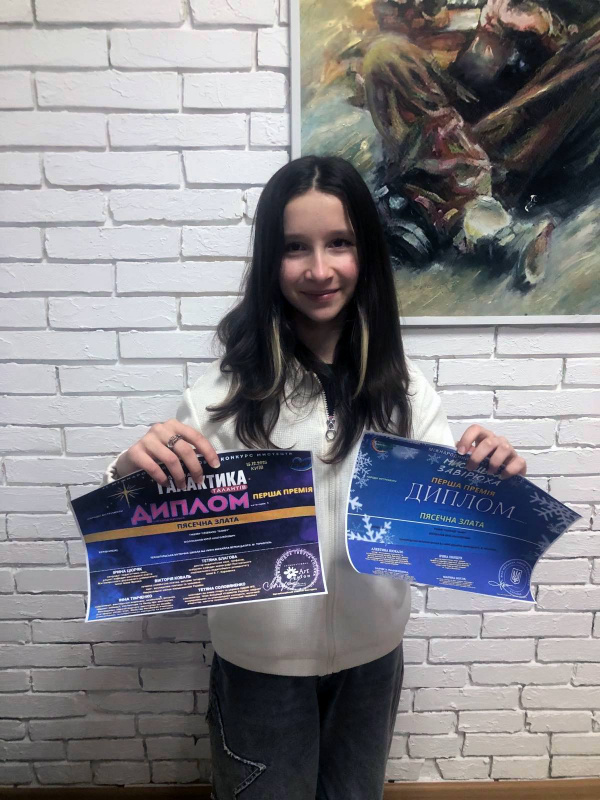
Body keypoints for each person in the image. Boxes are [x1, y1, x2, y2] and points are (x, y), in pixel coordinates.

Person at [101, 155, 527, 800]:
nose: (319, 270)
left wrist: (489, 477)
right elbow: (154, 540)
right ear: (270, 262)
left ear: (368, 254)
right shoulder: (221, 395)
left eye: (340, 244)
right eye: (295, 247)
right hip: (258, 667)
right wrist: (132, 474)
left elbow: (445, 525)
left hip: (372, 659)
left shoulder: (408, 394)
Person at [359, 0, 600, 286]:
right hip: (471, 122)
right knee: (385, 55)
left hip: (535, 121)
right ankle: (475, 215)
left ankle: (450, 207)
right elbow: (471, 75)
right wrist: (488, 39)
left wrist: (548, 32)